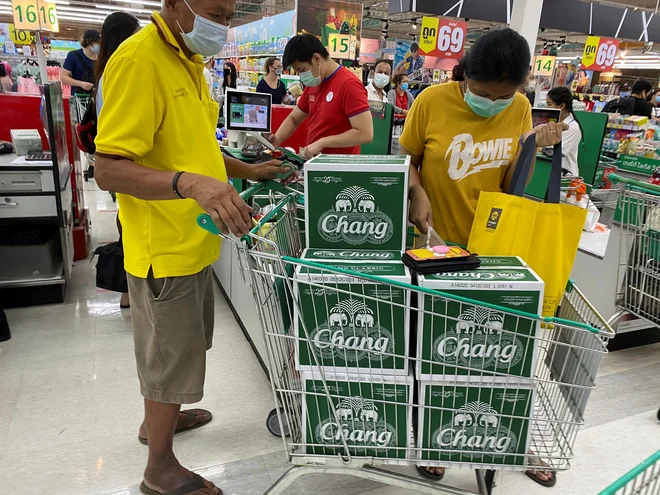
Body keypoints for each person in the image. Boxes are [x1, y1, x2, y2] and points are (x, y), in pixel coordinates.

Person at [93, 0, 287, 493]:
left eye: (227, 17)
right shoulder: (140, 61)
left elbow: (195, 146)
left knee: (182, 352)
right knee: (168, 358)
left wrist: (248, 171)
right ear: (174, 4)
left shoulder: (188, 60)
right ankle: (159, 468)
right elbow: (109, 168)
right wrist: (191, 185)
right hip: (165, 246)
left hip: (195, 237)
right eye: (213, 14)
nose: (221, 26)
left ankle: (157, 421)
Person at [401, 28, 566, 486]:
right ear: (465, 76)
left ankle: (513, 437)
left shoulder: (519, 107)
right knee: (436, 350)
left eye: (503, 94)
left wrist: (536, 144)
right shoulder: (431, 102)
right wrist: (416, 193)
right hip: (436, 244)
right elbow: (408, 159)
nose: (492, 102)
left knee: (500, 350)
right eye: (481, 93)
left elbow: (515, 179)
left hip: (494, 249)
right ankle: (432, 434)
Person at [95, 12, 141, 310]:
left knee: (127, 220)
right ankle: (129, 289)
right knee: (130, 224)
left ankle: (129, 290)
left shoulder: (104, 72)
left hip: (121, 163)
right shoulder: (123, 71)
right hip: (126, 165)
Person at [270, 34, 373, 159]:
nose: (302, 76)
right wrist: (276, 140)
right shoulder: (315, 83)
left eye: (302, 70)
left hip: (338, 169)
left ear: (316, 59)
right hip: (314, 164)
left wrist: (322, 143)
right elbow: (294, 119)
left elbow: (365, 133)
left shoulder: (349, 85)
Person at [546, 86, 584, 177]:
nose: (547, 108)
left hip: (565, 177)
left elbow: (552, 152)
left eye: (549, 104)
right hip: (549, 172)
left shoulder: (572, 127)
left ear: (562, 106)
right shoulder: (552, 122)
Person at [62, 29, 100, 95]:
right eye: (98, 43)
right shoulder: (73, 56)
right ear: (90, 42)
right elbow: (63, 77)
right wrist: (80, 84)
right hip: (79, 98)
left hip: (97, 97)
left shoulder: (101, 58)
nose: (99, 46)